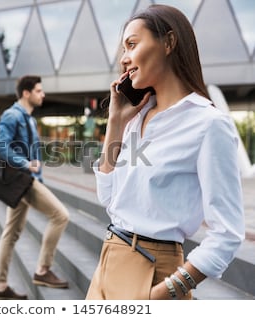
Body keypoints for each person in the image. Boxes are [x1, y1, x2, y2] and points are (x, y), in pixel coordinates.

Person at [86, 4, 245, 300]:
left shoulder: (209, 125)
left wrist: (166, 290)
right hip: (108, 262)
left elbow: (227, 232)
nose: (124, 58)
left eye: (132, 44)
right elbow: (108, 198)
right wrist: (116, 121)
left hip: (154, 271)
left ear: (169, 42)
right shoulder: (137, 117)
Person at [0, 75, 70, 300]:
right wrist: (26, 164)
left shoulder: (30, 119)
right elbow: (0, 147)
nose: (43, 94)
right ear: (26, 93)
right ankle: (43, 270)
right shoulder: (12, 115)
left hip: (26, 181)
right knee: (61, 215)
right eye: (38, 90)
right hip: (23, 180)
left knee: (11, 232)